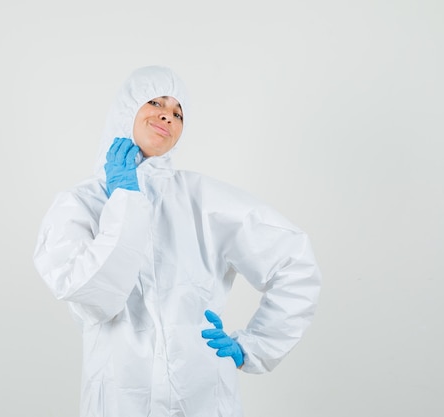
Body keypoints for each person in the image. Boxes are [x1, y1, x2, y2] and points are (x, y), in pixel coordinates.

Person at [33, 65, 321, 417]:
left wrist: (256, 345)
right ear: (126, 110)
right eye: (154, 102)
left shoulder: (202, 199)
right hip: (120, 401)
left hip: (203, 398)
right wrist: (126, 200)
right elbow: (96, 298)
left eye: (177, 113)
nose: (167, 116)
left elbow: (293, 260)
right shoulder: (79, 205)